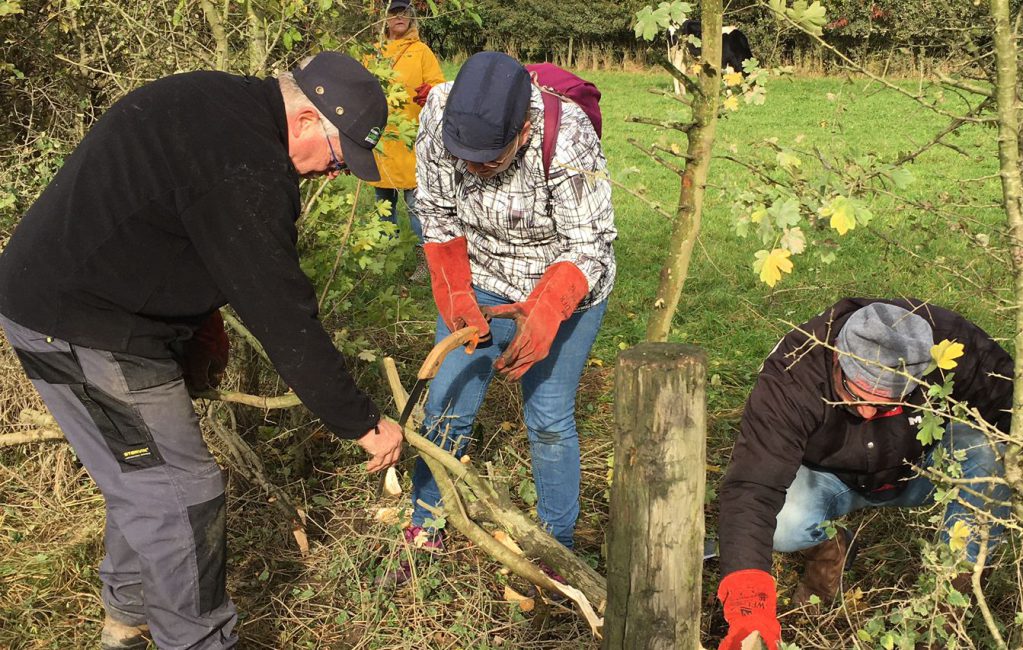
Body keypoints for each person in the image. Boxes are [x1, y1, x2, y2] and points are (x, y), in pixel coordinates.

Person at [0, 52, 404, 650]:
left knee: (145, 475)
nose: (336, 173)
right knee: (183, 493)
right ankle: (195, 640)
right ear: (307, 120)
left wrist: (198, 316)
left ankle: (128, 621)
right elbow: (283, 318)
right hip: (81, 324)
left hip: (69, 300)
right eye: (341, 156)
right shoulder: (250, 167)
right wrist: (364, 423)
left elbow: (166, 221)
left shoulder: (219, 101)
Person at [399, 51, 616, 571]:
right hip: (478, 277)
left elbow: (589, 243)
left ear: (523, 129)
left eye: (489, 160)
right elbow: (433, 208)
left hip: (563, 280)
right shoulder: (438, 112)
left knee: (548, 418)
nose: (473, 169)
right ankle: (425, 522)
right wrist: (455, 293)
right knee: (445, 406)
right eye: (464, 156)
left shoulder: (567, 137)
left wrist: (546, 312)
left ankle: (554, 548)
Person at [716, 299, 1020, 650]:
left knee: (989, 452)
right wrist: (748, 606)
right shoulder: (794, 371)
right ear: (836, 359)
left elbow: (1022, 409)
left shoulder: (950, 346)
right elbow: (753, 486)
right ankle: (832, 549)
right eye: (854, 394)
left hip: (923, 469)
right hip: (831, 478)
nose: (865, 411)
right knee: (784, 522)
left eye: (885, 403)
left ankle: (946, 603)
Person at [367, 0, 445, 280]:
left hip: (411, 138)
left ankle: (426, 262)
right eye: (394, 12)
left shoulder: (420, 51)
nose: (399, 17)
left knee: (416, 206)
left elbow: (438, 85)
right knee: (383, 205)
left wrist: (429, 92)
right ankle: (387, 259)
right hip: (381, 140)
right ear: (385, 19)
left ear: (412, 18)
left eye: (404, 13)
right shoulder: (374, 52)